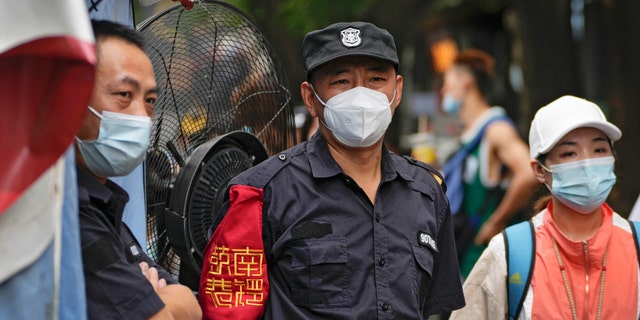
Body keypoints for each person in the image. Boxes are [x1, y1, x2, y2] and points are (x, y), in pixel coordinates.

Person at [198, 21, 465, 319]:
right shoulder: (258, 195)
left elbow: (431, 307)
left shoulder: (425, 192)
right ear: (311, 98)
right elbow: (226, 311)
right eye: (341, 82)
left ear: (397, 91)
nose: (361, 95)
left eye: (376, 79)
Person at [450, 95, 640, 319]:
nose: (588, 163)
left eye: (599, 150)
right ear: (540, 170)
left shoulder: (635, 245)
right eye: (569, 153)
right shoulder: (510, 253)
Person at [75, 20, 201, 319]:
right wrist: (170, 299)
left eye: (150, 101)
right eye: (124, 95)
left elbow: (191, 307)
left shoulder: (105, 204)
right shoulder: (69, 210)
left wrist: (174, 299)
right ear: (71, 95)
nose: (141, 117)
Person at [440, 49, 538, 277]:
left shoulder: (496, 130)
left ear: (466, 82)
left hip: (488, 260)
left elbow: (528, 172)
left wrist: (496, 221)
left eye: (447, 82)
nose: (443, 90)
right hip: (467, 257)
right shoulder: (472, 136)